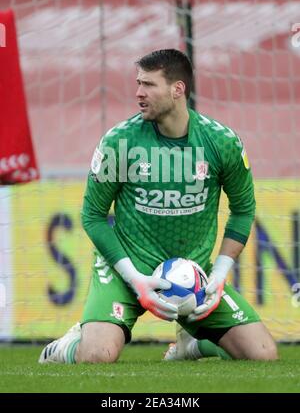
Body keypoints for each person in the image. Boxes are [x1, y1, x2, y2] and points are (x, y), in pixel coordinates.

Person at [39, 49, 278, 365]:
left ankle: (191, 344)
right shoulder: (119, 142)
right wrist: (135, 278)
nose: (139, 93)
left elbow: (244, 209)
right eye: (138, 83)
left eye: (149, 85)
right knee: (97, 356)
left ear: (177, 89)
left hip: (194, 277)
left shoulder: (222, 143)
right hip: (126, 271)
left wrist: (219, 274)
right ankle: (64, 347)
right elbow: (93, 216)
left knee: (262, 355)